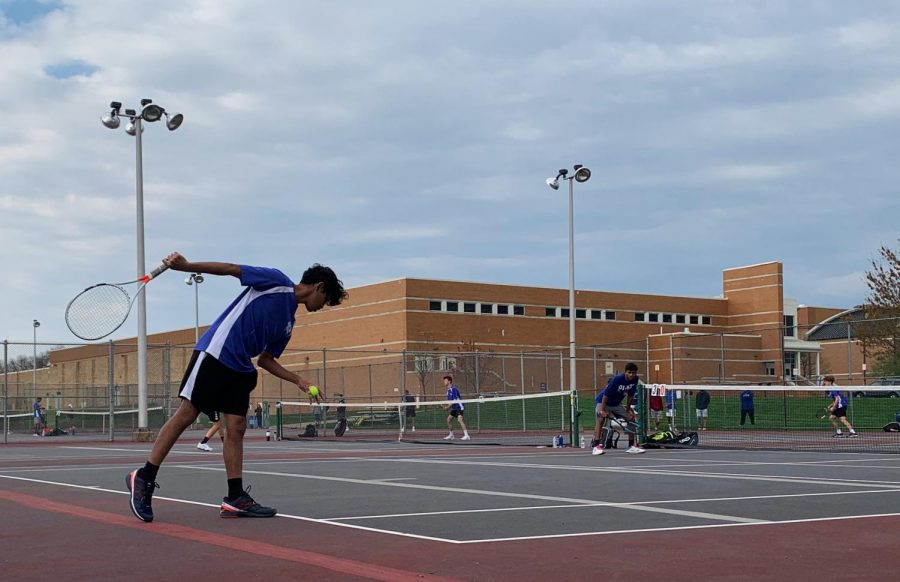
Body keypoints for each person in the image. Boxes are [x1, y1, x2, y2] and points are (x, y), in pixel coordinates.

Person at [126, 251, 347, 523]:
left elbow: (266, 360)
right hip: (217, 352)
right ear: (319, 287)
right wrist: (185, 267)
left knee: (237, 427)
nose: (321, 307)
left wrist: (299, 380)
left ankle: (235, 497)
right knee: (187, 413)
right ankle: (144, 477)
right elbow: (230, 269)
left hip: (241, 366)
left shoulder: (288, 322)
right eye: (324, 302)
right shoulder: (276, 281)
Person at [591, 362, 646, 455]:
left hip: (616, 404)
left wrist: (628, 411)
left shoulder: (635, 380)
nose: (631, 375)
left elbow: (630, 396)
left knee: (631, 419)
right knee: (601, 419)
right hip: (603, 401)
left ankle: (631, 446)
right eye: (629, 372)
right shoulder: (617, 379)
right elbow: (605, 395)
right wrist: (603, 410)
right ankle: (596, 446)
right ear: (625, 372)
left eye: (633, 373)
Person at [442, 375, 470, 440]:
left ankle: (466, 435)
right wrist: (447, 407)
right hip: (454, 408)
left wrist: (448, 407)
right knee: (448, 420)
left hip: (459, 407)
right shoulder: (448, 391)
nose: (444, 382)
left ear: (449, 381)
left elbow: (454, 400)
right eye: (444, 381)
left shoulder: (453, 389)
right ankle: (451, 435)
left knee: (459, 420)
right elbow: (450, 402)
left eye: (445, 381)